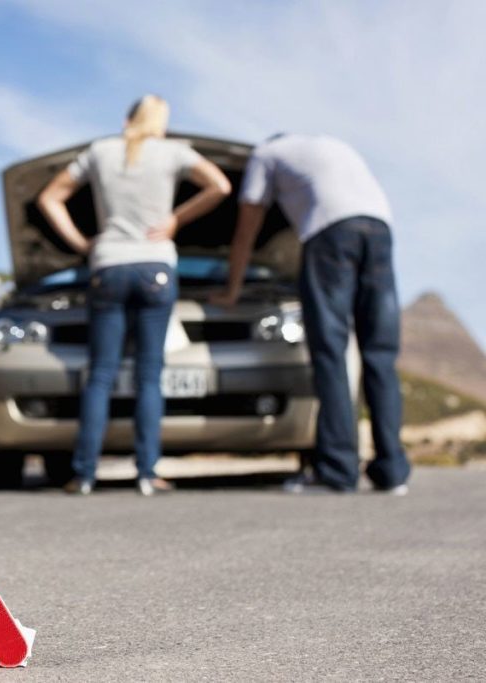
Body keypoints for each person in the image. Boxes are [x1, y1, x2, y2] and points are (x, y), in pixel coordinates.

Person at [37, 95, 231, 495]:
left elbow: (48, 198)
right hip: (155, 266)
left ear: (127, 119)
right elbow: (220, 186)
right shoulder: (174, 152)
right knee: (149, 374)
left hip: (107, 265)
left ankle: (85, 474)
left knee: (101, 373)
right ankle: (147, 472)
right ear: (162, 123)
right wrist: (176, 219)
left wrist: (82, 243)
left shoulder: (99, 151)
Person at [211, 133, 411, 494]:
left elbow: (247, 225)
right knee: (380, 353)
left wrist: (232, 289)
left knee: (330, 350)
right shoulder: (332, 147)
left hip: (331, 232)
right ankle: (392, 472)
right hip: (379, 228)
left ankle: (337, 470)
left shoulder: (265, 154)